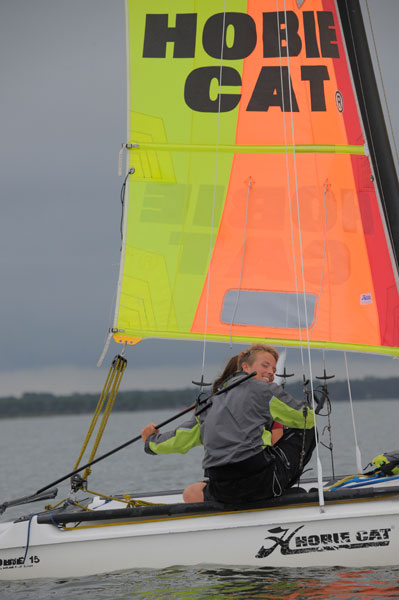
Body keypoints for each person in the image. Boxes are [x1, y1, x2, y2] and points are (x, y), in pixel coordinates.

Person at [141, 344, 315, 505]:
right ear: (245, 367)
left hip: (223, 491)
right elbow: (307, 419)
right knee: (308, 430)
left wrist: (151, 441)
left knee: (196, 489)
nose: (271, 372)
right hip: (260, 483)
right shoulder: (265, 391)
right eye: (265, 365)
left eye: (273, 369)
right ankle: (279, 492)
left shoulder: (209, 404)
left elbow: (180, 438)